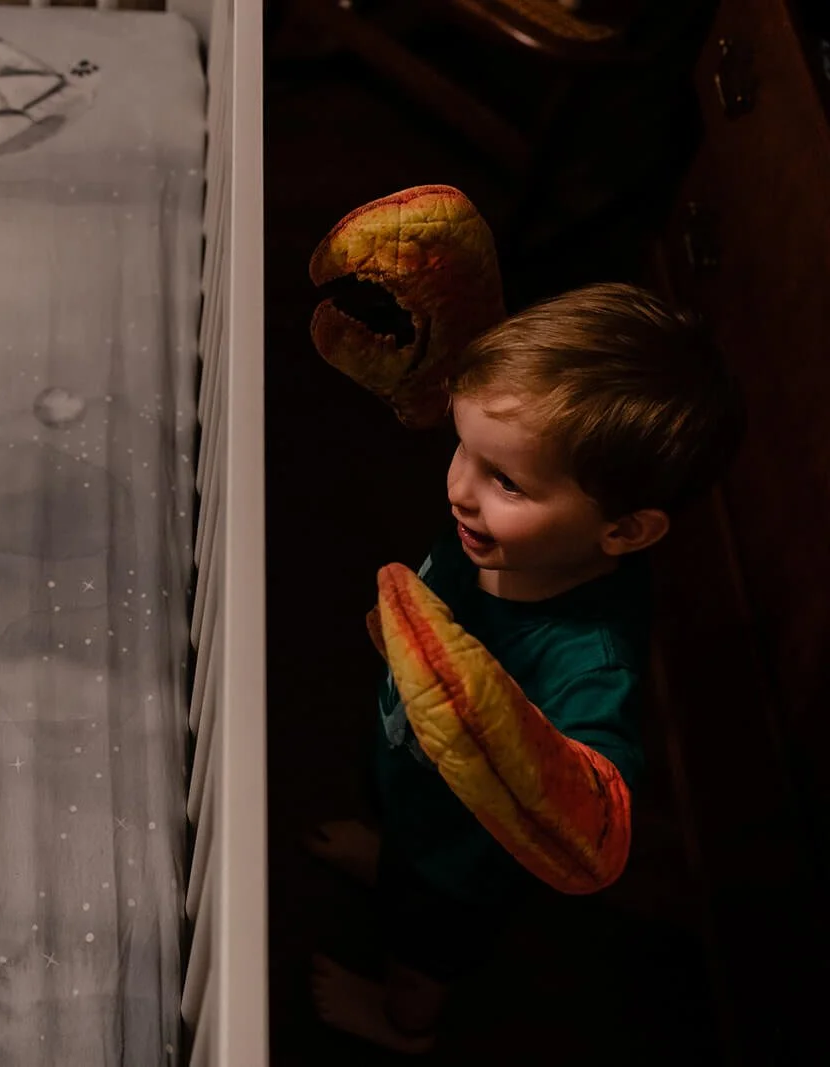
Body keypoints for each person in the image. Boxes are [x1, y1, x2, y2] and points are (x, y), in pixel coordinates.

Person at [306, 282, 746, 1053]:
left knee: (422, 952)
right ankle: (385, 853)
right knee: (389, 814)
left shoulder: (588, 657)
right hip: (412, 779)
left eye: (505, 481)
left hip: (459, 864)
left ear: (623, 530)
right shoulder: (504, 537)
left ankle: (406, 1024)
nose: (458, 490)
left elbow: (597, 810)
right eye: (463, 448)